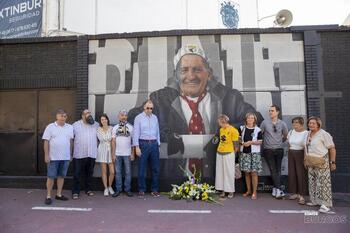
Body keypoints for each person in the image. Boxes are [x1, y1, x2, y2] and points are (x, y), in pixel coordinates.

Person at [128, 44, 263, 178]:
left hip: (214, 175)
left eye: (197, 70)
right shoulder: (160, 99)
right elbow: (134, 116)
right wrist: (164, 132)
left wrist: (223, 131)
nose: (191, 76)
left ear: (209, 74)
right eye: (184, 70)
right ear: (175, 75)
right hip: (174, 177)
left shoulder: (230, 98)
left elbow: (255, 118)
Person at [42, 109, 74, 205]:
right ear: (57, 116)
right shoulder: (50, 127)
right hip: (53, 158)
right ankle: (48, 196)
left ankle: (59, 194)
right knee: (51, 177)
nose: (63, 118)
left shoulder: (70, 127)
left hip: (65, 157)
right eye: (61, 116)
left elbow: (71, 142)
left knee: (61, 176)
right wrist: (46, 155)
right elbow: (46, 141)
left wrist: (71, 154)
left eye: (65, 116)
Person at [305, 116, 336, 214]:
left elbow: (332, 148)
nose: (311, 125)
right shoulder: (308, 134)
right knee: (312, 182)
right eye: (310, 123)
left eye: (313, 123)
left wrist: (332, 162)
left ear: (318, 124)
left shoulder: (324, 134)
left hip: (322, 161)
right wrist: (305, 160)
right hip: (311, 161)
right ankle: (315, 201)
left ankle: (325, 205)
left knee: (323, 183)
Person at [133, 100, 161, 197]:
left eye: (151, 108)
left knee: (155, 168)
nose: (149, 110)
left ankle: (154, 190)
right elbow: (135, 133)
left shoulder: (155, 118)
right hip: (143, 144)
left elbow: (157, 131)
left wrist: (158, 143)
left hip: (154, 144)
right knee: (142, 168)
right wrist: (136, 147)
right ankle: (141, 190)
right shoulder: (138, 118)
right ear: (144, 108)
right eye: (148, 108)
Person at [260, 105, 288, 199]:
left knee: (278, 170)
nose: (270, 112)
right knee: (273, 169)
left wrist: (279, 142)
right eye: (269, 111)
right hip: (268, 149)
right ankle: (279, 189)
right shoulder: (264, 123)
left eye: (272, 111)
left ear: (277, 112)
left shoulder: (282, 123)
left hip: (279, 149)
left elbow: (285, 135)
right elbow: (260, 135)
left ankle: (276, 189)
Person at [72, 109, 99, 199]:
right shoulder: (75, 125)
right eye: (87, 113)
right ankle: (76, 191)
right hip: (79, 153)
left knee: (89, 173)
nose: (89, 115)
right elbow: (71, 139)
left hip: (91, 153)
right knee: (77, 173)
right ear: (83, 115)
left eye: (90, 113)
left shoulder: (96, 125)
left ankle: (88, 189)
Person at [238, 112, 263, 200]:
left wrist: (251, 142)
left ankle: (254, 192)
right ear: (246, 119)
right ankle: (248, 190)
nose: (250, 119)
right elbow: (239, 138)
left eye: (252, 118)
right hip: (244, 153)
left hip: (254, 154)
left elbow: (260, 141)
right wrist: (242, 143)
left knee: (254, 173)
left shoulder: (258, 130)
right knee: (246, 173)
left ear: (254, 120)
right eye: (248, 118)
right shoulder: (241, 128)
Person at [215, 114, 239, 199]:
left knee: (229, 172)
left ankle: (230, 191)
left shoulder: (233, 130)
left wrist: (234, 155)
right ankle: (223, 190)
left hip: (229, 153)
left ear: (223, 121)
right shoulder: (221, 129)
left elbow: (236, 145)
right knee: (220, 172)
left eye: (219, 122)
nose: (219, 124)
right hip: (219, 152)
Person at [111, 109, 134, 197]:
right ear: (119, 116)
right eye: (122, 115)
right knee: (118, 172)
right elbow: (113, 141)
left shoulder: (131, 127)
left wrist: (132, 153)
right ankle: (118, 189)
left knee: (128, 172)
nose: (124, 117)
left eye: (125, 115)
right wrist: (113, 154)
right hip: (117, 153)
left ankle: (127, 189)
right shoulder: (115, 127)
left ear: (127, 117)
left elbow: (133, 141)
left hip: (127, 153)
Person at [287, 117, 308, 205]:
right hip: (291, 153)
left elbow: (306, 146)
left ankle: (302, 196)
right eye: (293, 123)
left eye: (297, 123)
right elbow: (289, 143)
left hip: (301, 153)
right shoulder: (291, 132)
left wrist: (305, 158)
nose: (295, 125)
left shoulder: (306, 133)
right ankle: (295, 193)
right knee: (292, 173)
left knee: (301, 174)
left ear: (302, 124)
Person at [96, 114, 115, 197]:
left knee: (112, 172)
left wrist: (113, 152)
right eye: (102, 119)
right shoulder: (98, 129)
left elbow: (113, 140)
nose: (104, 121)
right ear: (100, 121)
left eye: (105, 119)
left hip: (110, 150)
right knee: (104, 171)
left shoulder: (112, 128)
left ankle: (110, 186)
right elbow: (98, 140)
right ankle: (105, 188)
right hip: (102, 150)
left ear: (107, 120)